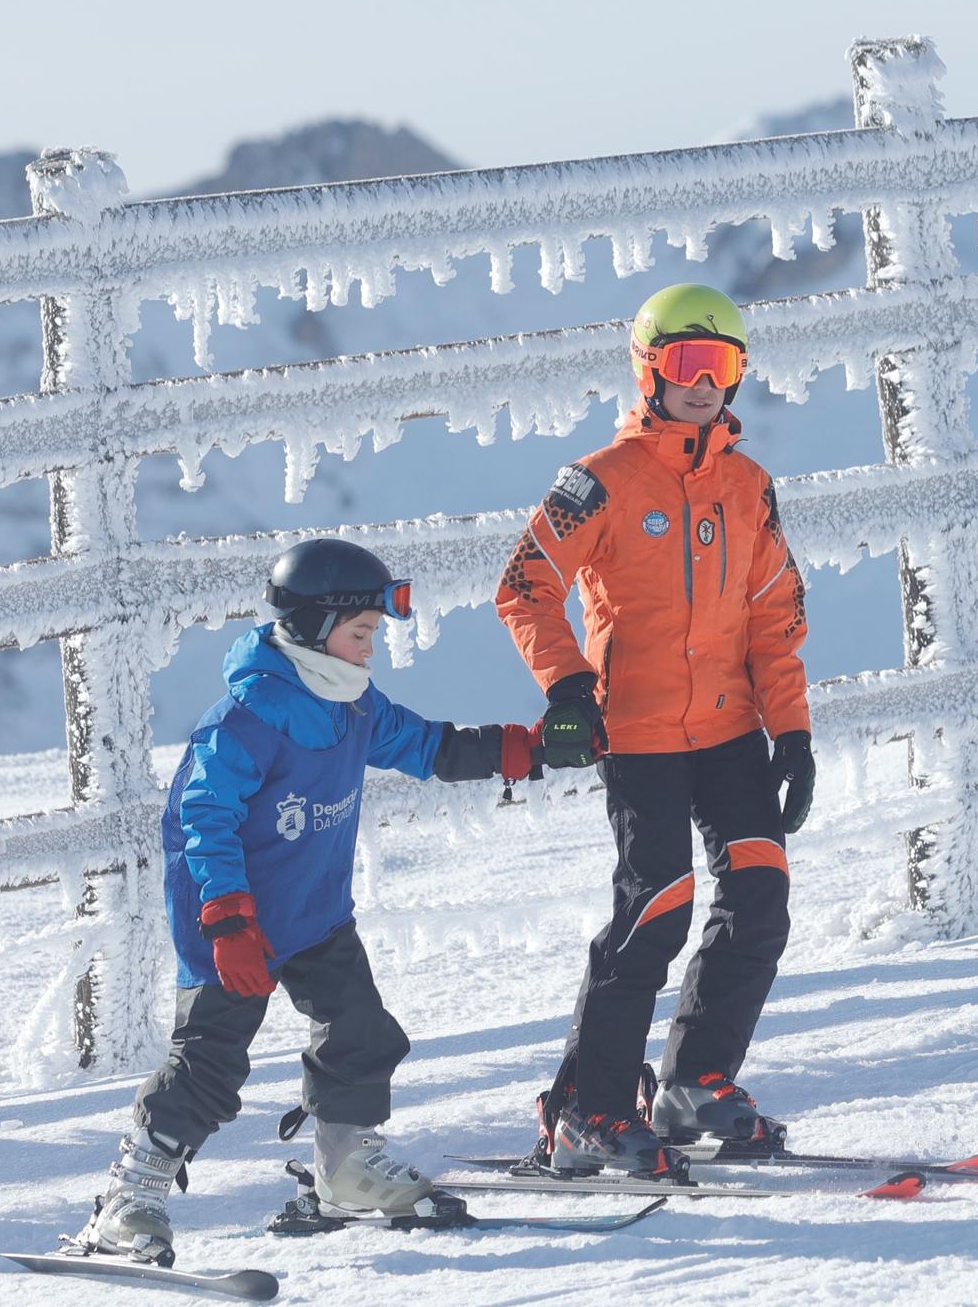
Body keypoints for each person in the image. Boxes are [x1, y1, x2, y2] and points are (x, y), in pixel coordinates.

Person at [81, 538, 544, 1263]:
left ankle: (347, 1170)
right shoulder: (245, 720)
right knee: (210, 1062)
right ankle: (130, 1198)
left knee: (359, 1031)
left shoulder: (351, 702)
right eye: (361, 633)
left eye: (372, 635)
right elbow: (204, 820)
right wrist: (228, 917)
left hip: (314, 913)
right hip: (232, 922)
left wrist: (521, 749)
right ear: (312, 627)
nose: (371, 649)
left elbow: (424, 746)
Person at [494, 283, 815, 1179]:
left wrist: (790, 732)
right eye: (686, 364)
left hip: (730, 729)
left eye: (722, 366)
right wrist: (566, 685)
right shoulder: (598, 480)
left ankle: (695, 1083)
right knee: (655, 912)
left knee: (759, 896)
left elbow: (775, 612)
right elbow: (524, 585)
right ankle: (588, 1111)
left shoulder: (749, 487)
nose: (704, 384)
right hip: (635, 733)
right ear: (650, 369)